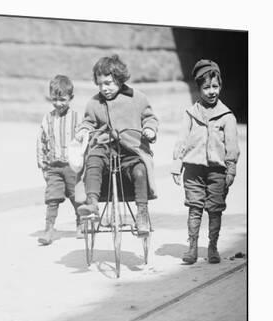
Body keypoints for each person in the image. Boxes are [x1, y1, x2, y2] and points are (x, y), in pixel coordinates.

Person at [76, 55, 158, 235]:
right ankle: (92, 204)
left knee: (140, 169)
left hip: (130, 149)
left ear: (120, 80)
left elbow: (150, 118)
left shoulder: (137, 98)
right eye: (100, 84)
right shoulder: (94, 102)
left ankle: (142, 213)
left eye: (108, 83)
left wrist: (150, 130)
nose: (104, 89)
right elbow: (88, 122)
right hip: (105, 148)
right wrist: (83, 130)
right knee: (93, 160)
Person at [171, 59, 240, 264]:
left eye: (215, 86)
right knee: (194, 208)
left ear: (221, 86)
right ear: (198, 88)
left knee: (215, 209)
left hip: (217, 172)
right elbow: (181, 140)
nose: (212, 91)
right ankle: (192, 247)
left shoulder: (227, 116)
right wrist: (177, 166)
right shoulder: (191, 114)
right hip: (193, 170)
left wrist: (231, 170)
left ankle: (212, 246)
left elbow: (233, 147)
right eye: (206, 87)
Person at [36, 75, 83, 245]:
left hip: (72, 166)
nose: (58, 103)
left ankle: (81, 223)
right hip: (54, 166)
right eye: (54, 99)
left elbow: (85, 141)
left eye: (62, 99)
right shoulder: (47, 118)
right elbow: (41, 140)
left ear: (71, 98)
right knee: (52, 198)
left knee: (76, 196)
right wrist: (42, 163)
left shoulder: (78, 118)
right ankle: (49, 229)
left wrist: (83, 161)